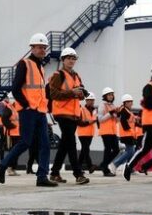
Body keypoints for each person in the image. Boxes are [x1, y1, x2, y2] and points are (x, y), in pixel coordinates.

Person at [0, 33, 58, 187]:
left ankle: (42, 176)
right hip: (28, 111)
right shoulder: (24, 64)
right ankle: (3, 165)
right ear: (32, 48)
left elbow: (40, 91)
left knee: (45, 144)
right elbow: (15, 89)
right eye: (39, 47)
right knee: (25, 142)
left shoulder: (41, 67)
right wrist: (26, 105)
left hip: (40, 112)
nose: (42, 50)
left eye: (44, 47)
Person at [48, 47, 90, 185]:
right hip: (62, 113)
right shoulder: (58, 75)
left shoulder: (76, 76)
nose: (71, 61)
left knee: (65, 144)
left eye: (73, 59)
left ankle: (54, 173)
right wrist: (72, 92)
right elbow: (53, 94)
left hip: (73, 114)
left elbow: (80, 94)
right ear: (63, 60)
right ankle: (78, 174)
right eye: (68, 58)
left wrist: (82, 94)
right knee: (71, 143)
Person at [111, 94, 138, 172]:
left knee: (131, 151)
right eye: (128, 102)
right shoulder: (124, 111)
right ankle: (115, 164)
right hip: (127, 134)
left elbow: (130, 121)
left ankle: (129, 167)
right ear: (124, 103)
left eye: (131, 101)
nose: (130, 103)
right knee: (130, 151)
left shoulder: (126, 110)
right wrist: (130, 130)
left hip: (129, 134)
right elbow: (123, 122)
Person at [96, 87, 119, 177]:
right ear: (105, 96)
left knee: (116, 150)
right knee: (108, 150)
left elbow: (116, 120)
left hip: (113, 131)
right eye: (109, 95)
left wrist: (118, 115)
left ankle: (103, 164)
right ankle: (105, 169)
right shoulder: (102, 105)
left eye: (112, 95)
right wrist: (110, 113)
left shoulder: (112, 105)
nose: (111, 96)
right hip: (105, 131)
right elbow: (100, 119)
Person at [0, 93, 22, 176]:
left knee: (16, 151)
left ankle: (12, 168)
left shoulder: (16, 107)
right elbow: (4, 119)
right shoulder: (9, 107)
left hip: (18, 133)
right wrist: (12, 126)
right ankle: (9, 167)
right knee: (13, 151)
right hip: (12, 133)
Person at [77, 93, 97, 173]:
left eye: (92, 100)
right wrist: (89, 122)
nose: (91, 102)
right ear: (86, 100)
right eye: (89, 100)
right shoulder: (81, 109)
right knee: (86, 149)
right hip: (82, 133)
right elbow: (79, 122)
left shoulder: (94, 110)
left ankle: (78, 167)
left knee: (84, 150)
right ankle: (90, 166)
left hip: (90, 133)